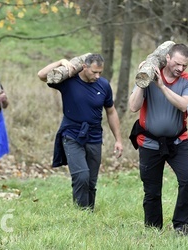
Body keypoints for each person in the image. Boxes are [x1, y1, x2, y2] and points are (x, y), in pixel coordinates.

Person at [37, 53, 123, 210]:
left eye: (100, 72)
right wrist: (61, 61)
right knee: (81, 176)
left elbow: (111, 112)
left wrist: (118, 139)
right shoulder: (68, 80)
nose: (97, 76)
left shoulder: (103, 85)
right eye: (94, 72)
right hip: (72, 134)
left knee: (91, 181)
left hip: (95, 136)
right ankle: (80, 213)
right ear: (84, 67)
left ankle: (88, 213)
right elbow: (41, 75)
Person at [128, 43, 188, 236]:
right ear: (167, 58)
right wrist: (144, 80)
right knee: (152, 190)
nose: (180, 68)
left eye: (184, 65)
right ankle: (153, 229)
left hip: (178, 142)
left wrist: (162, 86)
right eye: (177, 64)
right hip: (149, 143)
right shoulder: (149, 74)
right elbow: (133, 106)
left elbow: (185, 106)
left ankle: (181, 226)